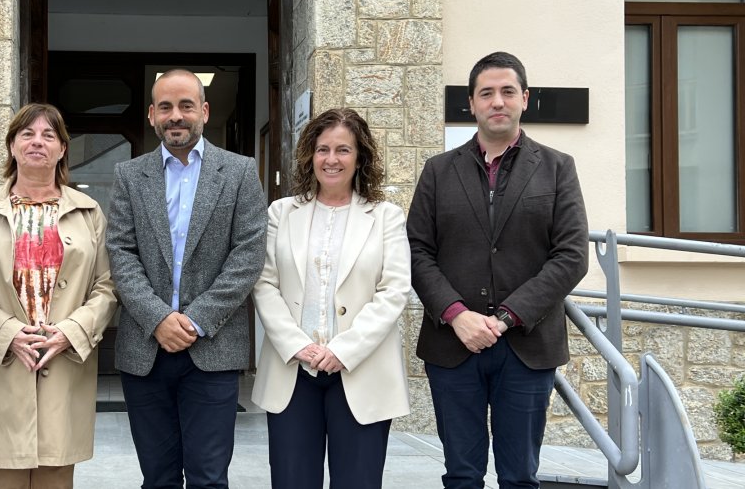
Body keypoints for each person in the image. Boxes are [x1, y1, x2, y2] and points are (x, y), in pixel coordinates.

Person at [407, 51, 588, 489]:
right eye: (486, 93)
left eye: (508, 92)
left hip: (526, 346)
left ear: (525, 99)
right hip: (453, 346)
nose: (498, 102)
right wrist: (456, 314)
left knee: (520, 475)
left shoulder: (557, 167)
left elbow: (571, 255)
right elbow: (416, 250)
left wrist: (507, 316)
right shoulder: (438, 171)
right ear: (471, 103)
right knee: (461, 474)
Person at [106, 69, 267, 489]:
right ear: (151, 116)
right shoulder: (129, 176)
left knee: (209, 478)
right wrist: (158, 318)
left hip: (213, 350)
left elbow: (248, 255)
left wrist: (194, 321)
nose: (176, 116)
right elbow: (120, 253)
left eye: (185, 106)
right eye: (165, 107)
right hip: (146, 350)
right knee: (157, 478)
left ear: (204, 111)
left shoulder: (240, 172)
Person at [252, 108, 411, 489]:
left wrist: (343, 349)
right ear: (310, 155)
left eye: (343, 150)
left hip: (361, 370)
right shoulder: (281, 212)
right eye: (323, 149)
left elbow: (394, 290)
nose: (332, 159)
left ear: (360, 157)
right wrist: (297, 345)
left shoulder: (386, 216)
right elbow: (264, 284)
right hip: (294, 373)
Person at [0, 103, 117, 489]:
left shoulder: (89, 212)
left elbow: (108, 285)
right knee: (8, 478)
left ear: (63, 149)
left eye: (49, 135)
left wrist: (72, 331)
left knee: (56, 477)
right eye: (27, 134)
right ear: (12, 145)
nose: (38, 142)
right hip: (4, 361)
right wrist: (6, 333)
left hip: (66, 359)